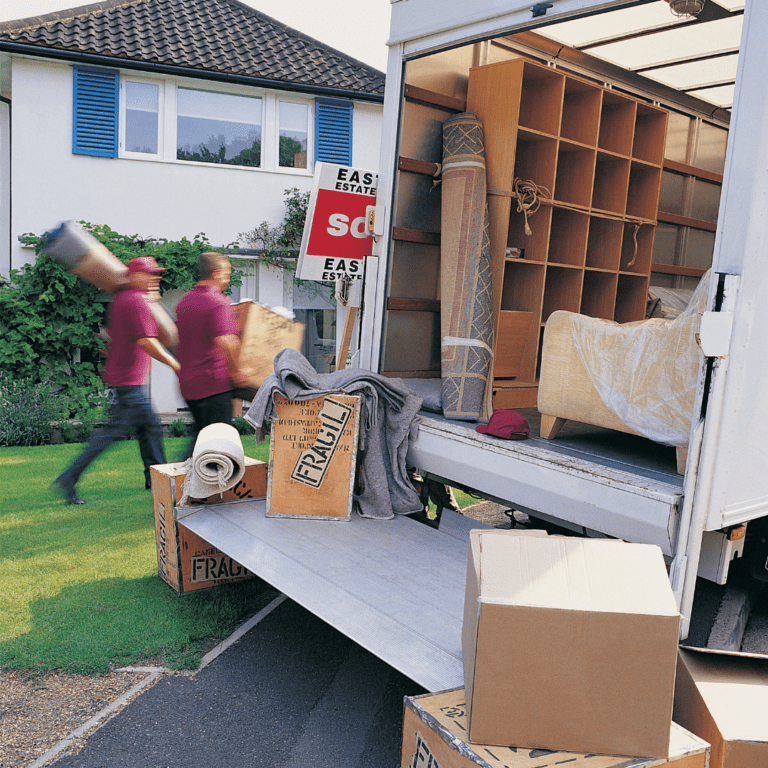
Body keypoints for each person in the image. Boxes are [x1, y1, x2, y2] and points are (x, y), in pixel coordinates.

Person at [54, 256, 181, 504]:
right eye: (150, 274)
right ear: (134, 276)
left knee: (150, 427)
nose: (156, 278)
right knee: (112, 433)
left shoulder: (124, 298)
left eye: (157, 274)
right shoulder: (135, 301)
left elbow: (117, 336)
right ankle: (69, 477)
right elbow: (146, 340)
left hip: (126, 377)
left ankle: (155, 479)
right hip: (129, 381)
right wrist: (174, 363)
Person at [175, 251, 247, 456]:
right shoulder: (219, 302)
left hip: (189, 385)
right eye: (226, 273)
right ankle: (187, 481)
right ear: (216, 274)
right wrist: (238, 372)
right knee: (220, 446)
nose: (228, 278)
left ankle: (182, 480)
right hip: (213, 384)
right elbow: (226, 340)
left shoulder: (184, 303)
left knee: (201, 440)